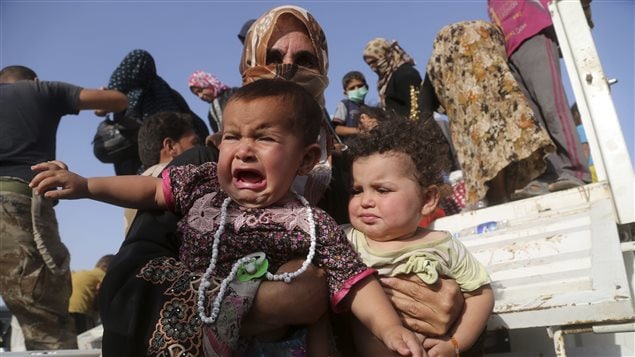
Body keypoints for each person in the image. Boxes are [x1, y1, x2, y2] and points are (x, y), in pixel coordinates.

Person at [31, 79, 424, 357]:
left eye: (265, 138)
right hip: (199, 332)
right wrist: (86, 186)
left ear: (305, 159)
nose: (244, 150)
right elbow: (150, 189)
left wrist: (390, 328)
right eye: (233, 136)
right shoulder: (201, 183)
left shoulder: (310, 222)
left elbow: (353, 280)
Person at [239, 3, 464, 336]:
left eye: (305, 61)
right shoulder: (209, 169)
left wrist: (451, 301)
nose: (287, 70)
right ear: (248, 64)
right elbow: (141, 276)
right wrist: (250, 310)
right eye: (273, 58)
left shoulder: (350, 172)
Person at [0, 65, 127, 350]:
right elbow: (118, 100)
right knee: (47, 323)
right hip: (16, 207)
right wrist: (100, 107)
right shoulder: (42, 90)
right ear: (34, 79)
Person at [343, 117, 494, 356]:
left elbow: (481, 295)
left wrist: (456, 344)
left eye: (382, 190)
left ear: (427, 200)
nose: (366, 201)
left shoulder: (443, 245)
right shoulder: (347, 243)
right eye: (357, 190)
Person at [420, 20, 555, 207]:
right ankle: (502, 198)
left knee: (490, 160)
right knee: (499, 155)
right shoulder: (499, 74)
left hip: (471, 121)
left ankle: (499, 199)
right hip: (492, 116)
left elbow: (426, 103)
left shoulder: (442, 56)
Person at [488, 0, 591, 198]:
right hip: (508, 51)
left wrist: (584, 17)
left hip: (533, 33)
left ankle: (576, 169)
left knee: (552, 107)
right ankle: (551, 173)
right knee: (534, 122)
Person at [101, 49, 209, 175]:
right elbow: (140, 57)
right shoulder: (145, 95)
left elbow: (140, 58)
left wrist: (107, 96)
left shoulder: (151, 92)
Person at [123, 111, 200, 234]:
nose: (199, 148)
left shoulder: (131, 189)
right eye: (195, 143)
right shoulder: (179, 177)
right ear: (171, 147)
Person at [363, 37, 422, 119]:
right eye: (369, 64)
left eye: (374, 61)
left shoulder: (406, 75)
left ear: (387, 55)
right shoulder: (387, 80)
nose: (373, 67)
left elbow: (417, 111)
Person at [68, 254, 115, 334]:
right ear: (105, 267)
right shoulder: (101, 274)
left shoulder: (85, 273)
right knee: (83, 336)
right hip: (80, 310)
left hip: (67, 308)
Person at [331, 70, 369, 144]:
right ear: (345, 93)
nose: (357, 90)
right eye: (352, 88)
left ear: (366, 87)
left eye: (360, 86)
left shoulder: (369, 109)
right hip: (350, 147)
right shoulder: (344, 105)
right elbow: (336, 129)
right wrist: (358, 131)